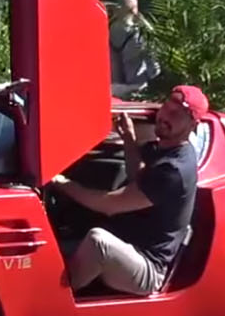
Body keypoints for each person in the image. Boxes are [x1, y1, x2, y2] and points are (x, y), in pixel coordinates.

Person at [45, 85, 205, 297]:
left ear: (192, 124)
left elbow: (109, 206)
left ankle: (51, 300)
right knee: (51, 249)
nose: (166, 115)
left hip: (148, 267)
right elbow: (139, 177)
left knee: (97, 242)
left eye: (177, 114)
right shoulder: (161, 149)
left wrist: (58, 181)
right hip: (126, 245)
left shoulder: (175, 169)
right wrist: (129, 139)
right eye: (167, 107)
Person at [107, 0, 159, 96]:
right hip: (135, 85)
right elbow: (153, 64)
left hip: (117, 85)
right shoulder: (142, 31)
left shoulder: (108, 27)